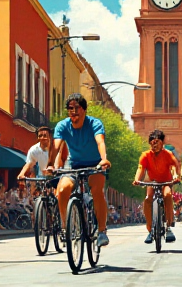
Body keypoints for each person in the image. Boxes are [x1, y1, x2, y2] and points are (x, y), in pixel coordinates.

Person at [47, 93, 112, 247]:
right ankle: (65, 227)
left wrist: (104, 158)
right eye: (70, 108)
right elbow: (56, 146)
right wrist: (50, 164)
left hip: (95, 163)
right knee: (62, 190)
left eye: (77, 108)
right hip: (73, 163)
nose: (73, 111)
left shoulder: (95, 124)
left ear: (84, 109)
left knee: (97, 191)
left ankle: (102, 231)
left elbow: (100, 142)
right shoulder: (62, 126)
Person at [133, 129, 180, 244]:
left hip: (166, 182)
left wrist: (175, 176)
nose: (155, 145)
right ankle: (150, 229)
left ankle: (168, 226)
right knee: (148, 199)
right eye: (152, 143)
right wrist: (137, 179)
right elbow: (141, 168)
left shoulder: (168, 154)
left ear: (162, 143)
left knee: (167, 195)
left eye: (157, 142)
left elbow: (174, 166)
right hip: (152, 182)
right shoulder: (146, 155)